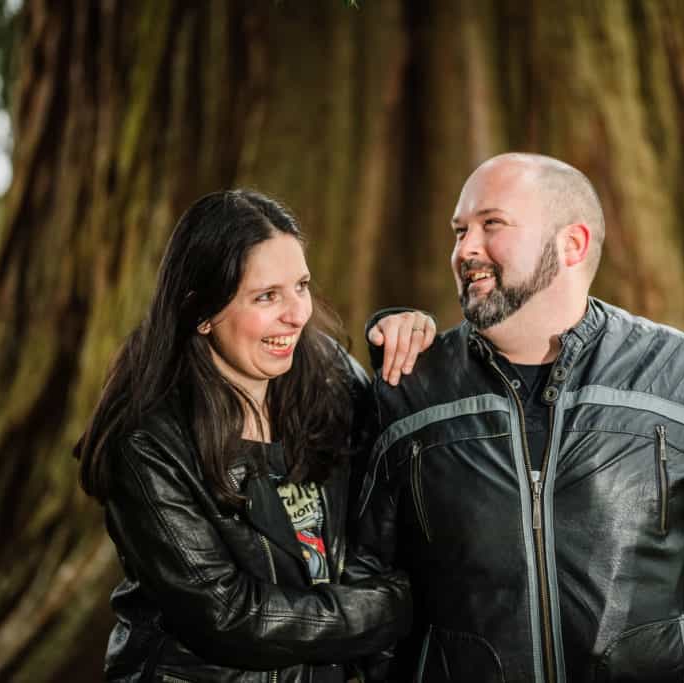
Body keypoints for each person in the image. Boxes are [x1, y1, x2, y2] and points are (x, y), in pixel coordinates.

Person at [350, 153, 684, 682]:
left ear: (572, 244)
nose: (466, 249)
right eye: (460, 230)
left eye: (491, 224)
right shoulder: (412, 389)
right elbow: (366, 582)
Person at [75, 189, 436, 682]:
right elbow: (229, 616)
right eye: (267, 296)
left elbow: (404, 461)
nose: (297, 314)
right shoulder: (147, 443)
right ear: (201, 312)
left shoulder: (326, 372)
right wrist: (393, 604)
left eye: (301, 285)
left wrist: (405, 344)